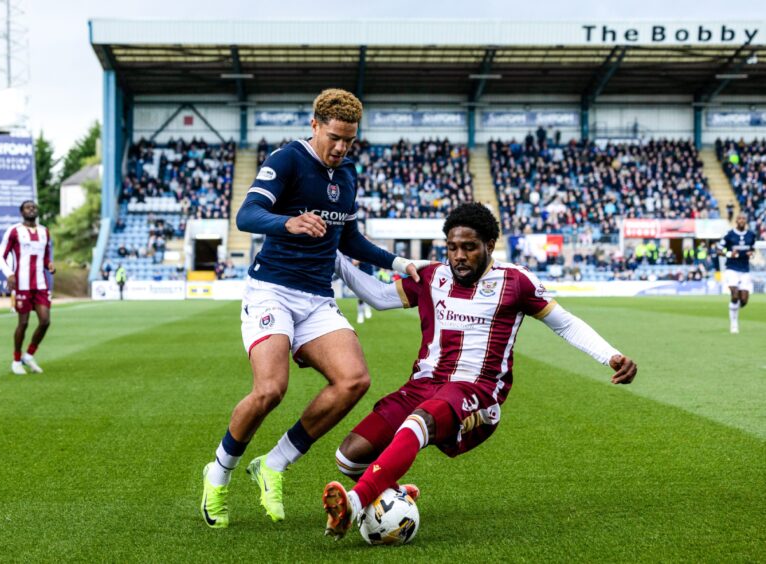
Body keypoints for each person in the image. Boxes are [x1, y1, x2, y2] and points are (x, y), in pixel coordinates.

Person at [321, 202, 637, 539]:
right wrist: (334, 257)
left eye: (469, 247)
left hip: (477, 391)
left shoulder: (515, 282)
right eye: (453, 247)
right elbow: (381, 297)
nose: (459, 255)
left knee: (418, 422)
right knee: (349, 456)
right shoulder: (432, 276)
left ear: (489, 244)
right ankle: (398, 492)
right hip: (423, 383)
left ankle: (353, 503)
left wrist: (611, 356)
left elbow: (566, 324)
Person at [200, 88, 427, 528]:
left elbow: (349, 239)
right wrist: (287, 221)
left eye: (350, 140)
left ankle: (274, 464)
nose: (341, 148)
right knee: (270, 390)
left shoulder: (347, 176)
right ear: (315, 125)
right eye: (335, 137)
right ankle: (219, 472)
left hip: (317, 297)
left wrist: (397, 262)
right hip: (271, 291)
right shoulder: (287, 160)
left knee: (354, 380)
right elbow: (246, 216)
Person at [0, 200, 55, 375]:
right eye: (28, 207)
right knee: (23, 323)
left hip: (40, 284)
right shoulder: (14, 231)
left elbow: (45, 257)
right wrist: (9, 273)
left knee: (45, 321)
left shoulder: (45, 231)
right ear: (21, 212)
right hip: (22, 284)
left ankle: (29, 355)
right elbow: (1, 256)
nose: (32, 209)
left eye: (34, 207)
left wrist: (50, 265)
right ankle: (16, 360)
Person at [718, 213, 757, 333]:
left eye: (743, 218)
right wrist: (729, 254)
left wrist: (752, 253)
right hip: (731, 268)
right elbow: (718, 250)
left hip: (745, 270)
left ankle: (733, 308)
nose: (741, 220)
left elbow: (753, 249)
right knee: (734, 295)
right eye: (739, 218)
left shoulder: (751, 235)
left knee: (744, 300)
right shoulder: (729, 235)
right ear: (736, 221)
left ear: (746, 221)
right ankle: (734, 324)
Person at [352, 259, 373, 324]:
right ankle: (360, 314)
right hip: (361, 276)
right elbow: (354, 263)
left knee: (369, 294)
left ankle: (367, 307)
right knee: (361, 296)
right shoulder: (359, 252)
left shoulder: (371, 252)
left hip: (370, 276)